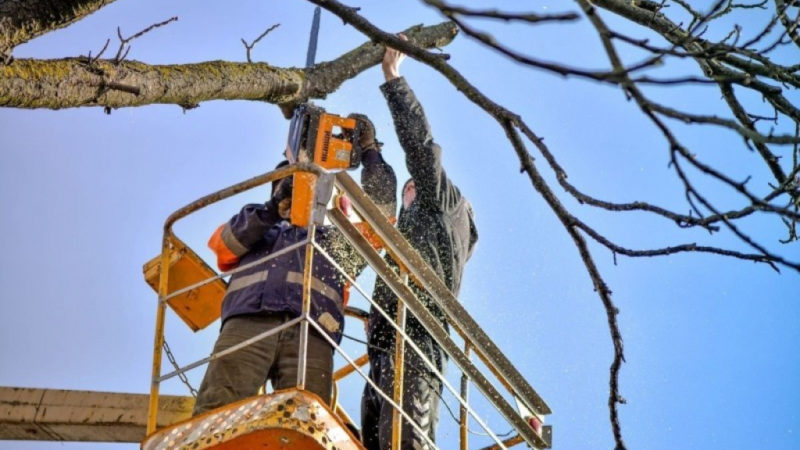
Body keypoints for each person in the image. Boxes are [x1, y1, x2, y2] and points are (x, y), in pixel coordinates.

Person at [192, 115, 396, 416]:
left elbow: (382, 217)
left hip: (311, 329)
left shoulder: (336, 242)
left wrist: (370, 151)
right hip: (250, 321)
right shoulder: (257, 225)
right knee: (218, 415)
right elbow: (224, 245)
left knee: (306, 422)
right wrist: (273, 211)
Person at [361, 37, 479, 449]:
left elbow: (422, 152)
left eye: (409, 188)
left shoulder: (444, 204)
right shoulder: (422, 230)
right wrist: (371, 153)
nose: (406, 193)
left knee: (406, 440)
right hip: (385, 341)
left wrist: (394, 79)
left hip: (416, 339)